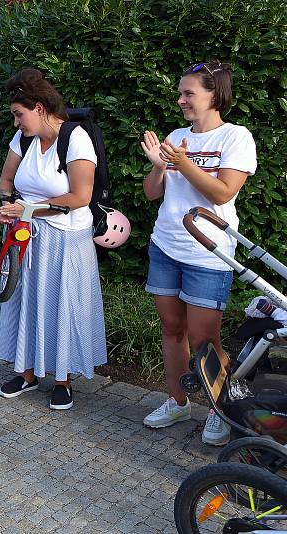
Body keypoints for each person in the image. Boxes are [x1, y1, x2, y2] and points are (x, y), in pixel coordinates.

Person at [140, 61, 256, 446]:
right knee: (172, 330)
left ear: (213, 94)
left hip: (209, 253)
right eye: (180, 93)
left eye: (188, 93)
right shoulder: (176, 136)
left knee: (206, 340)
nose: (181, 100)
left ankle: (219, 411)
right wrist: (160, 167)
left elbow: (223, 193)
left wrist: (184, 162)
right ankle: (176, 401)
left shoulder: (235, 138)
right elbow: (152, 193)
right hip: (166, 246)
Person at [0, 68, 107, 411]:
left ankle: (62, 379)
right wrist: (7, 207)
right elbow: (5, 181)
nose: (16, 123)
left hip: (65, 239)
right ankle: (26, 373)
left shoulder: (76, 139)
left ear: (39, 107)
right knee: (22, 299)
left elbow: (80, 196)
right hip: (25, 234)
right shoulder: (23, 140)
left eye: (19, 115)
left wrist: (29, 209)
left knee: (61, 302)